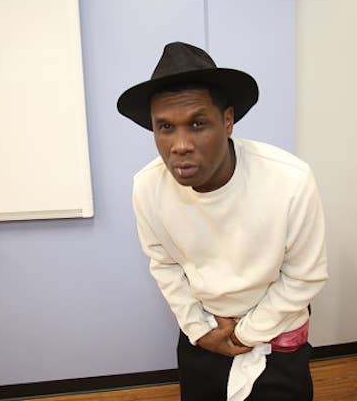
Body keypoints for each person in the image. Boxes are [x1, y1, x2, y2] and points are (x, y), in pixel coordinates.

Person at [117, 41, 328, 401]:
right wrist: (201, 332)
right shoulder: (147, 187)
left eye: (197, 123)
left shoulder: (289, 180)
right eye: (165, 127)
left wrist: (245, 335)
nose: (179, 144)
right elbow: (164, 265)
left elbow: (304, 276)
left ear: (227, 121)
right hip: (205, 330)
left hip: (275, 330)